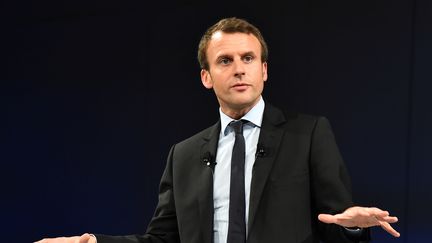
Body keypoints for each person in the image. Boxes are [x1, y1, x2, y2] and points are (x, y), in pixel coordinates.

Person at [37, 17, 400, 243]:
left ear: (264, 71)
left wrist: (352, 228)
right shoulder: (184, 155)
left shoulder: (308, 135)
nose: (239, 69)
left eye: (248, 59)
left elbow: (337, 223)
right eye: (225, 61)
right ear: (206, 77)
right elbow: (163, 240)